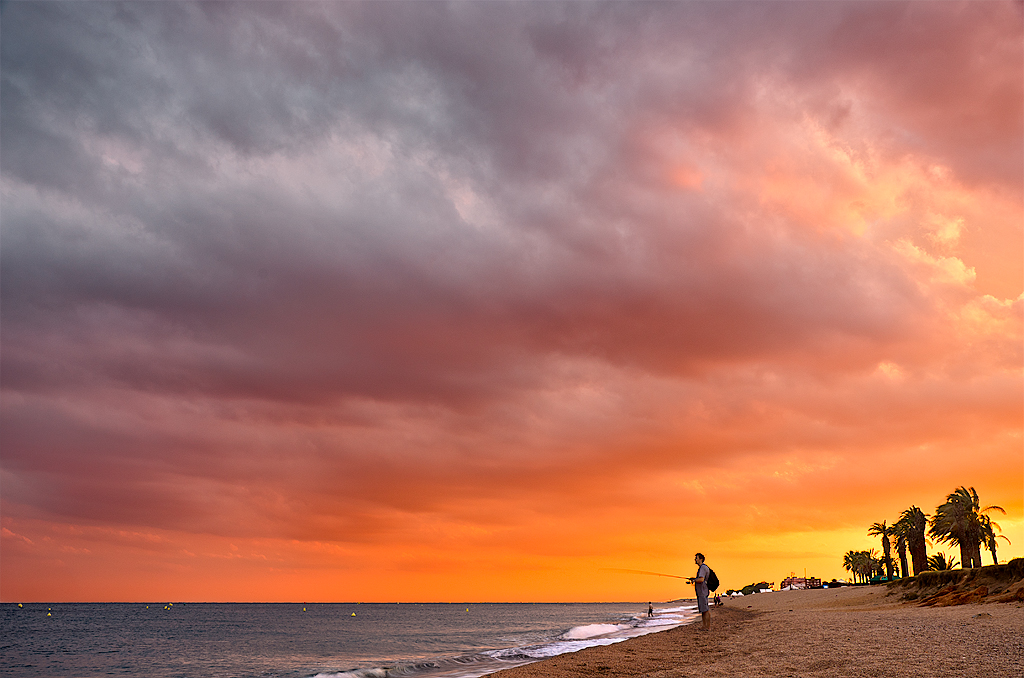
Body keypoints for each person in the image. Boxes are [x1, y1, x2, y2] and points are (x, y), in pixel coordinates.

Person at [687, 552, 712, 631]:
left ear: (701, 559)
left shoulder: (703, 568)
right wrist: (694, 579)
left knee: (705, 609)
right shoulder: (702, 568)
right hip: (702, 591)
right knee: (703, 609)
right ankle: (704, 626)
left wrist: (694, 580)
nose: (695, 559)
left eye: (696, 558)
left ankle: (707, 627)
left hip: (702, 591)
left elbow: (701, 579)